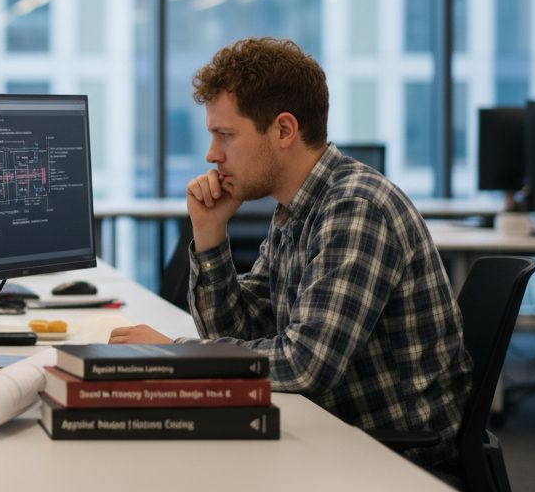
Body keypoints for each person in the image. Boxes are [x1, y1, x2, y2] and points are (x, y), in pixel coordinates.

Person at [109, 37, 472, 466]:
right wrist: (210, 233)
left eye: (226, 135)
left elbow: (305, 365)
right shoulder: (295, 209)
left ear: (284, 130)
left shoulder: (355, 207)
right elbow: (240, 331)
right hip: (329, 428)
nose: (211, 155)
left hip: (391, 455)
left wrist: (174, 355)